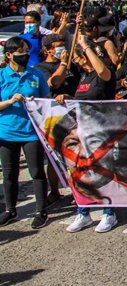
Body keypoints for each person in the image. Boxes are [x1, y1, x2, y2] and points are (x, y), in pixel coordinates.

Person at [55, 33, 119, 233]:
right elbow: (81, 98)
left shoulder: (104, 74)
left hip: (101, 132)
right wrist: (67, 97)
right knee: (79, 175)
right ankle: (83, 212)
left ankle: (109, 213)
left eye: (78, 58)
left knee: (102, 175)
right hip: (82, 132)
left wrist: (85, 45)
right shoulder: (83, 76)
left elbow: (101, 70)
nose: (77, 62)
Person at [0, 37, 51, 229]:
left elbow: (47, 101)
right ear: (9, 55)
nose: (25, 55)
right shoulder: (1, 76)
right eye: (21, 52)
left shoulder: (36, 75)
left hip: (32, 132)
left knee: (36, 171)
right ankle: (10, 210)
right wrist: (10, 101)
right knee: (9, 173)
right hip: (6, 133)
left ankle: (41, 211)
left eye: (26, 51)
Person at [34, 34, 80, 206]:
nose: (62, 49)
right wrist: (62, 64)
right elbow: (53, 83)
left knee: (74, 156)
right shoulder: (41, 67)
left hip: (73, 114)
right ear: (48, 50)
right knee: (54, 157)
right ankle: (54, 191)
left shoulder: (73, 65)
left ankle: (78, 191)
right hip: (53, 117)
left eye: (63, 45)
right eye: (58, 46)